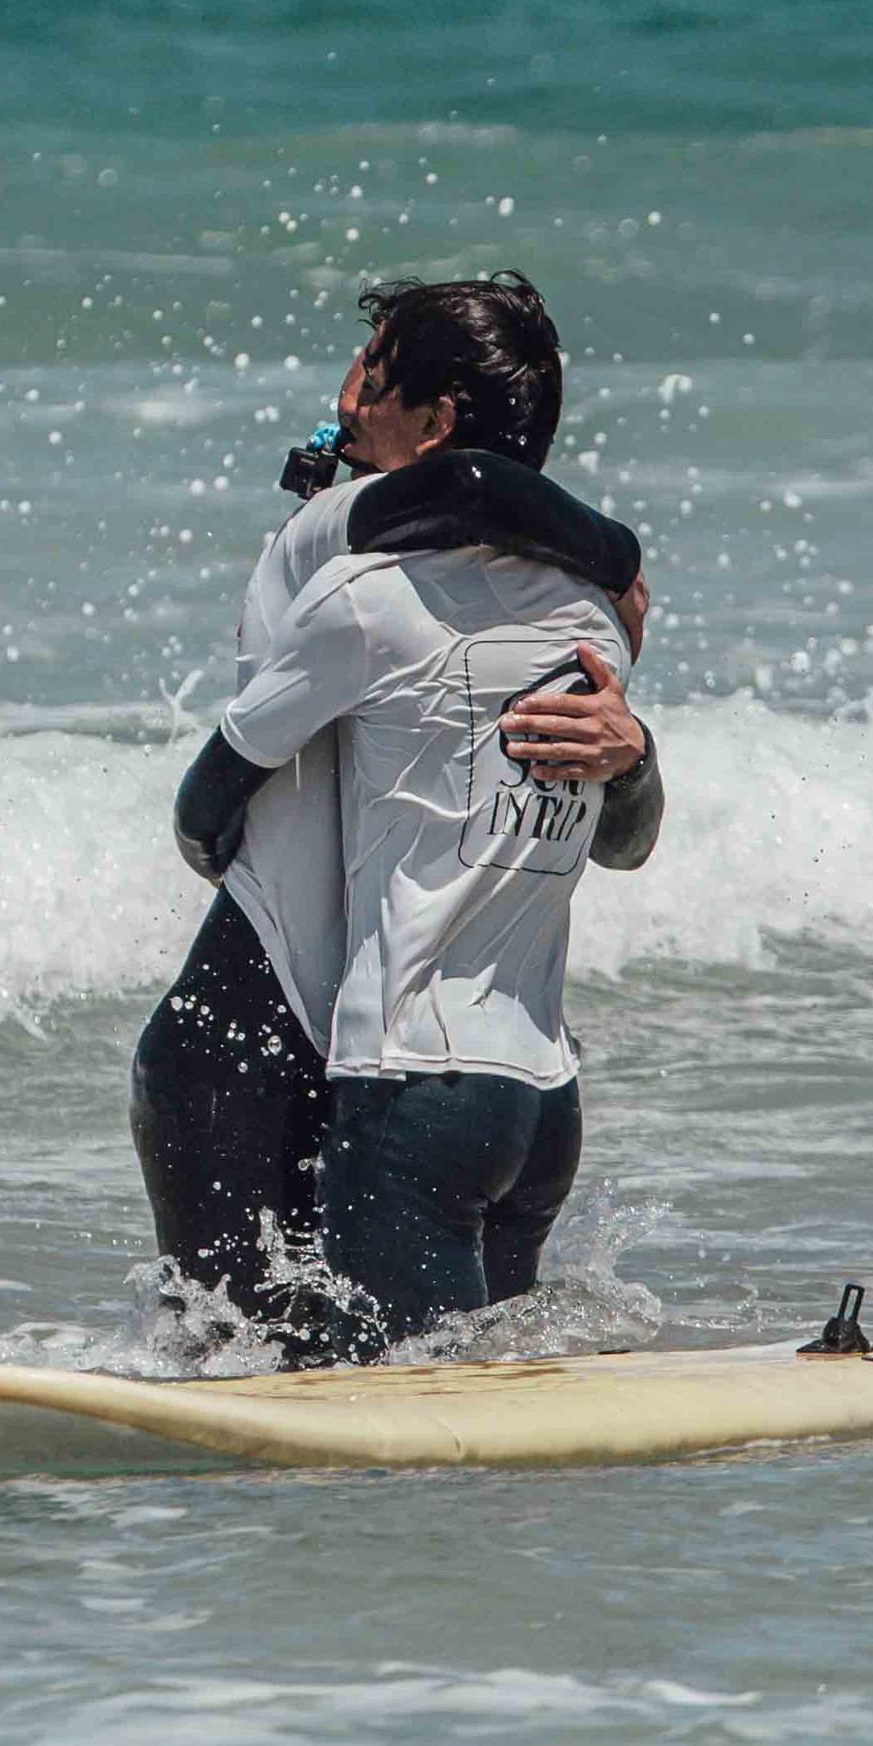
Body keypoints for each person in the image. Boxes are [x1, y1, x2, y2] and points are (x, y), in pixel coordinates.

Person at [135, 273, 660, 1359]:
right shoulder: (578, 613)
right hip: (417, 1062)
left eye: (370, 376)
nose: (345, 392)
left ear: (433, 422)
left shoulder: (366, 566)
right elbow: (617, 836)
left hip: (362, 1052)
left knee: (325, 1387)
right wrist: (621, 576)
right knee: (349, 1381)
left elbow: (470, 485)